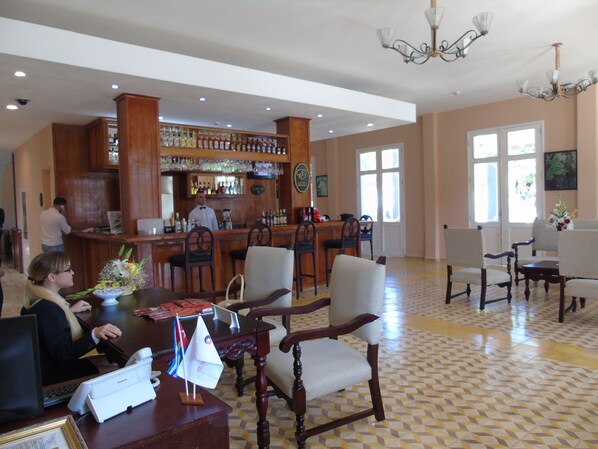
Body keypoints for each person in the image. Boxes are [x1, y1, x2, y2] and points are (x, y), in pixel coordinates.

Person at [21, 252, 122, 386]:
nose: (73, 273)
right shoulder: (50, 310)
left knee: (111, 361)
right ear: (51, 277)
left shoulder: (37, 301)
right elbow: (64, 354)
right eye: (68, 270)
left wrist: (67, 312)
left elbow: (48, 327)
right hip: (53, 374)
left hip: (41, 368)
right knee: (117, 367)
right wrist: (95, 334)